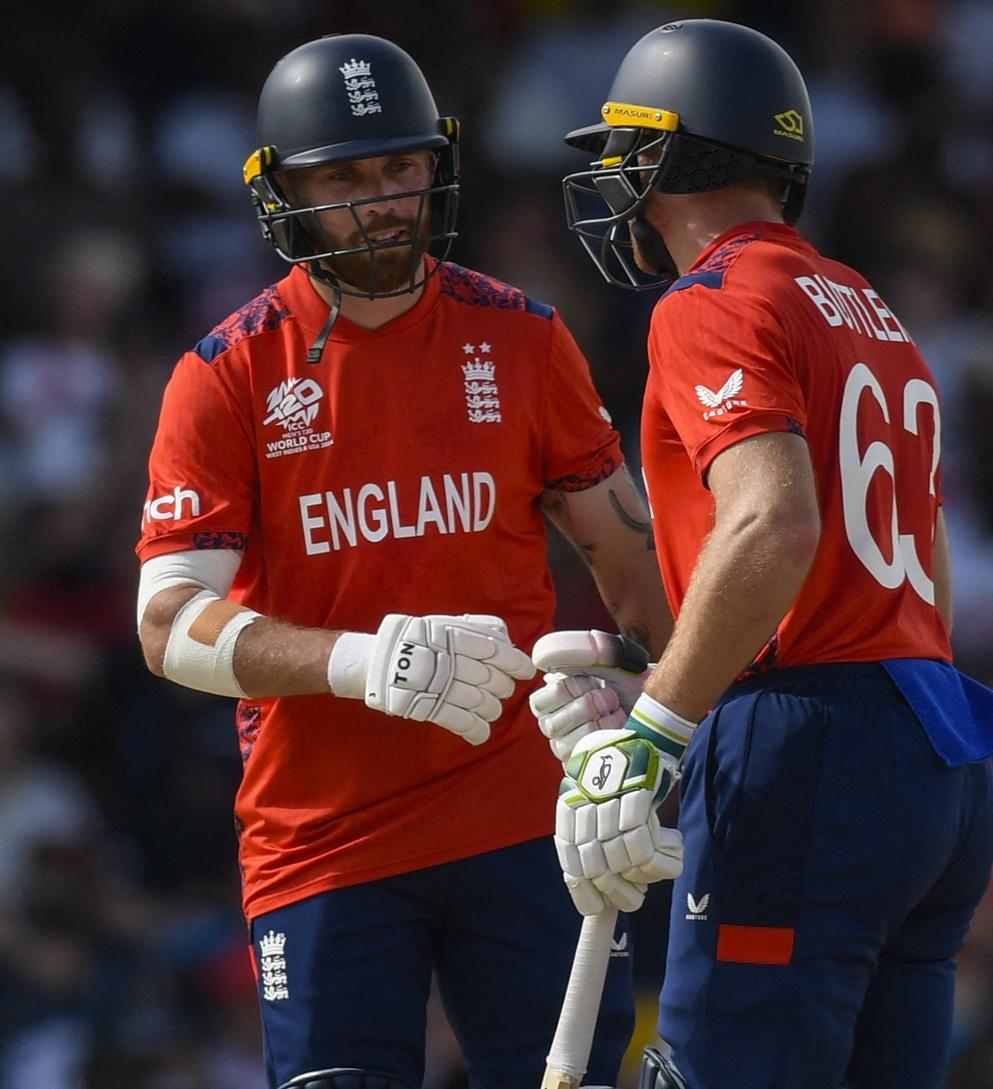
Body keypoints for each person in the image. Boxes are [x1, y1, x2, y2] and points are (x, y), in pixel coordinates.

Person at [134, 32, 672, 1089]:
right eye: (343, 179)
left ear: (438, 166)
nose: (381, 200)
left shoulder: (523, 338)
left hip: (523, 818)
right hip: (321, 843)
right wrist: (359, 663)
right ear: (283, 193)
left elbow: (636, 566)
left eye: (400, 168)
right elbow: (164, 626)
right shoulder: (226, 376)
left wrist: (652, 722)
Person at [529, 19, 993, 1089]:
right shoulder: (873, 310)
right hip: (936, 746)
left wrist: (658, 727)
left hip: (813, 747)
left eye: (626, 152)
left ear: (666, 153)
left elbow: (775, 524)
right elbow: (918, 561)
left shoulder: (711, 296)